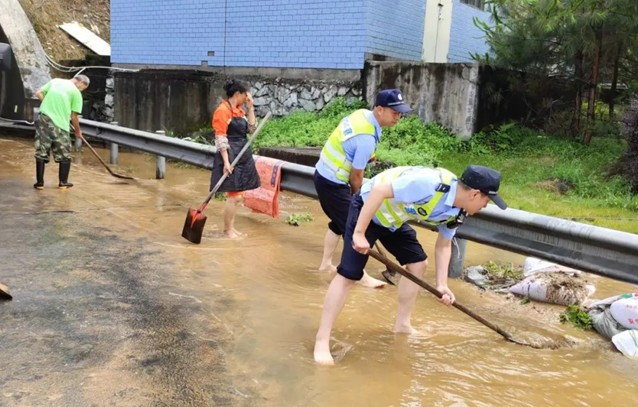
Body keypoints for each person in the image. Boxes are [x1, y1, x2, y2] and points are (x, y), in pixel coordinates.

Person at [313, 164, 508, 364]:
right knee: (349, 275)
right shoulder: (429, 184)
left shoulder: (458, 212)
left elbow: (443, 245)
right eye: (487, 200)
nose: (486, 206)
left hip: (392, 221)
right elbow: (379, 191)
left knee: (418, 263)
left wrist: (442, 284)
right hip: (367, 208)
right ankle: (322, 339)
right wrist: (359, 233)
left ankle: (402, 325)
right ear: (475, 194)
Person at [314, 89, 412, 288]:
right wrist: (360, 200)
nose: (398, 117)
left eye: (400, 113)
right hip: (333, 182)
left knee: (339, 221)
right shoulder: (366, 138)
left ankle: (325, 265)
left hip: (324, 175)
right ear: (379, 110)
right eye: (394, 113)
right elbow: (357, 175)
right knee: (357, 228)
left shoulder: (362, 115)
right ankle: (358, 275)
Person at [210, 79, 260, 238]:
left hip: (242, 155)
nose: (247, 97)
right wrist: (226, 161)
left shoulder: (240, 111)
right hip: (230, 155)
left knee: (237, 196)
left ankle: (231, 228)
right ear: (237, 94)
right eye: (246, 94)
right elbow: (220, 137)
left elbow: (251, 130)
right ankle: (227, 231)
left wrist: (251, 108)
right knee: (234, 196)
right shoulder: (222, 110)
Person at [33, 75, 90, 190]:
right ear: (81, 82)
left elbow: (38, 93)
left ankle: (40, 183)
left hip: (44, 119)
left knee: (42, 150)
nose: (81, 90)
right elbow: (74, 117)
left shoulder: (55, 81)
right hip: (60, 125)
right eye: (82, 88)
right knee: (64, 153)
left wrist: (49, 107)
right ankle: (63, 182)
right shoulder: (76, 93)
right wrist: (78, 132)